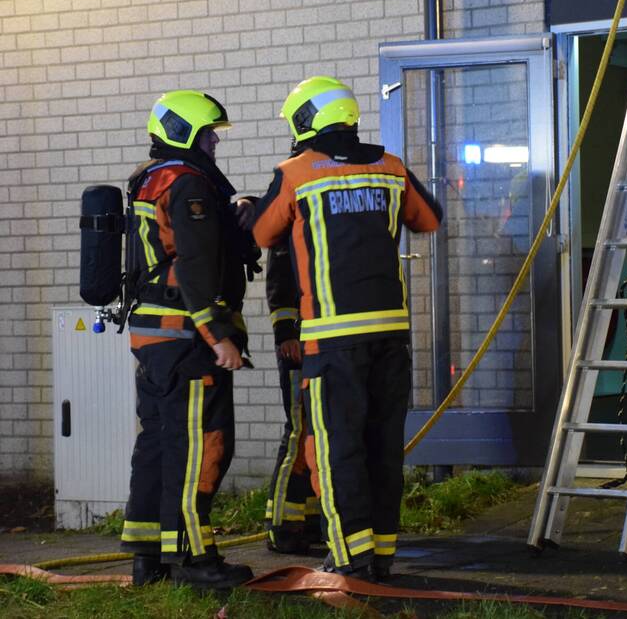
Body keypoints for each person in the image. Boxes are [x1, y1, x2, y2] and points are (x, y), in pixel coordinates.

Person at [251, 76, 442, 581]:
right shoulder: (391, 167)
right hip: (391, 337)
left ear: (305, 121)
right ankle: (380, 555)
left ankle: (349, 557)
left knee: (336, 449)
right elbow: (429, 219)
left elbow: (259, 233)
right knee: (383, 447)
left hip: (333, 340)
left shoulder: (295, 173)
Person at [119, 90, 258, 589]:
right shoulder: (188, 184)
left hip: (154, 336)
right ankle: (196, 561)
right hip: (187, 337)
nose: (216, 139)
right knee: (200, 447)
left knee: (157, 443)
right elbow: (195, 264)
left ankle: (147, 557)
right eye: (208, 132)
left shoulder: (149, 179)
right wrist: (218, 334)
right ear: (186, 133)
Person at [263, 239, 322, 553]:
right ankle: (282, 527)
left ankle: (308, 521)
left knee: (313, 432)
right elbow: (279, 277)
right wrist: (286, 332)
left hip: (315, 340)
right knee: (298, 431)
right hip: (296, 343)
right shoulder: (289, 211)